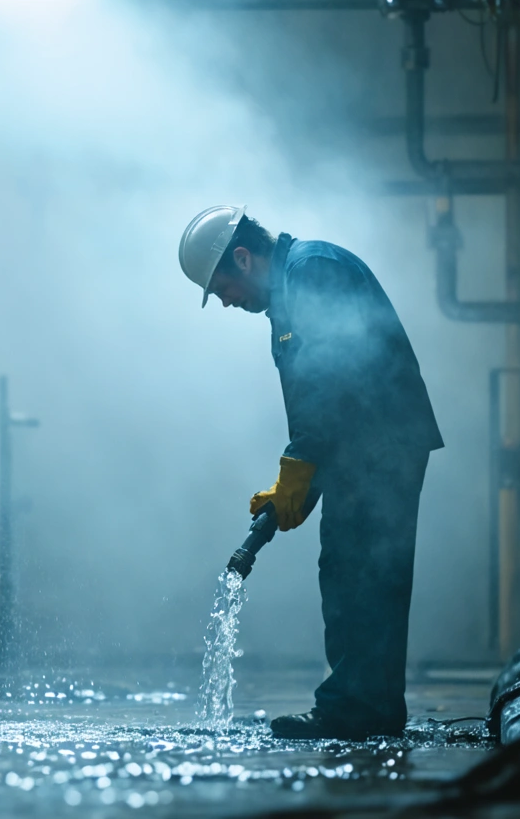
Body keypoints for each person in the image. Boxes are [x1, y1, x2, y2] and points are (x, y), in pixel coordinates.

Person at [179, 205, 444, 740]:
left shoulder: (313, 271)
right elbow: (318, 403)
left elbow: (330, 382)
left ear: (243, 258)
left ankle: (356, 709)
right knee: (348, 570)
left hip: (380, 444)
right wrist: (298, 482)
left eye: (223, 288)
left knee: (364, 572)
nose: (226, 302)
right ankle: (365, 707)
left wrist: (297, 471)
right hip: (357, 446)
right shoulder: (288, 296)